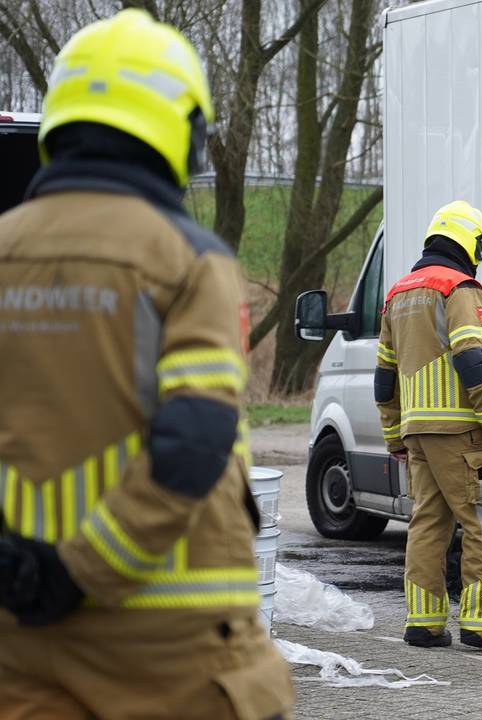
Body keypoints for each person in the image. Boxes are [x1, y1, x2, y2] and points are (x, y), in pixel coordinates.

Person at [0, 9, 294, 718]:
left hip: (18, 627)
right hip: (168, 643)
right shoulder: (186, 259)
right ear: (179, 133)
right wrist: (81, 570)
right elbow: (194, 441)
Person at [376, 199, 482, 651]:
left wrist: (392, 432)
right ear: (471, 243)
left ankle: (423, 623)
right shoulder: (459, 288)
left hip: (416, 431)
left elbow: (384, 375)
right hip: (462, 431)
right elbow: (470, 356)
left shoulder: (399, 292)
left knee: (427, 524)